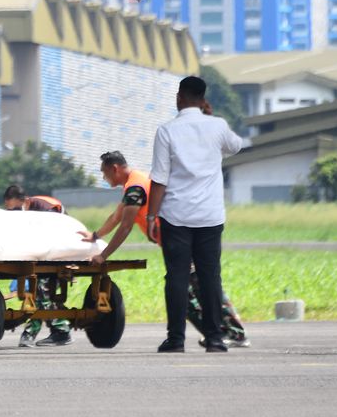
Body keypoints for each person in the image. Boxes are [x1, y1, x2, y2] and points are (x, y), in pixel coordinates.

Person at [89, 150, 248, 346]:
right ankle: (222, 333)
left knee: (193, 290)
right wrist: (95, 236)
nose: (104, 178)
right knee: (192, 291)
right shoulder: (136, 182)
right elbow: (116, 217)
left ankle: (232, 334)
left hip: (181, 243)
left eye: (104, 173)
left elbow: (125, 226)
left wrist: (103, 256)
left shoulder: (135, 188)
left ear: (115, 168)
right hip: (179, 241)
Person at [146, 76, 245, 353]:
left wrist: (151, 217)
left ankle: (176, 339)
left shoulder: (167, 130)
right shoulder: (217, 126)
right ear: (203, 100)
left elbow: (159, 179)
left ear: (178, 98)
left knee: (176, 277)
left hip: (175, 216)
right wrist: (212, 117)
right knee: (210, 276)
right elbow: (236, 145)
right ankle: (214, 338)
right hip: (210, 217)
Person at [2, 184, 72, 348]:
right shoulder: (26, 212)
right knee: (41, 292)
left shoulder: (43, 208)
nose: (14, 213)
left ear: (23, 201)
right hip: (44, 255)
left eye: (15, 208)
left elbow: (53, 234)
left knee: (40, 291)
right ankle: (43, 333)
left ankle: (57, 331)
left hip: (58, 253)